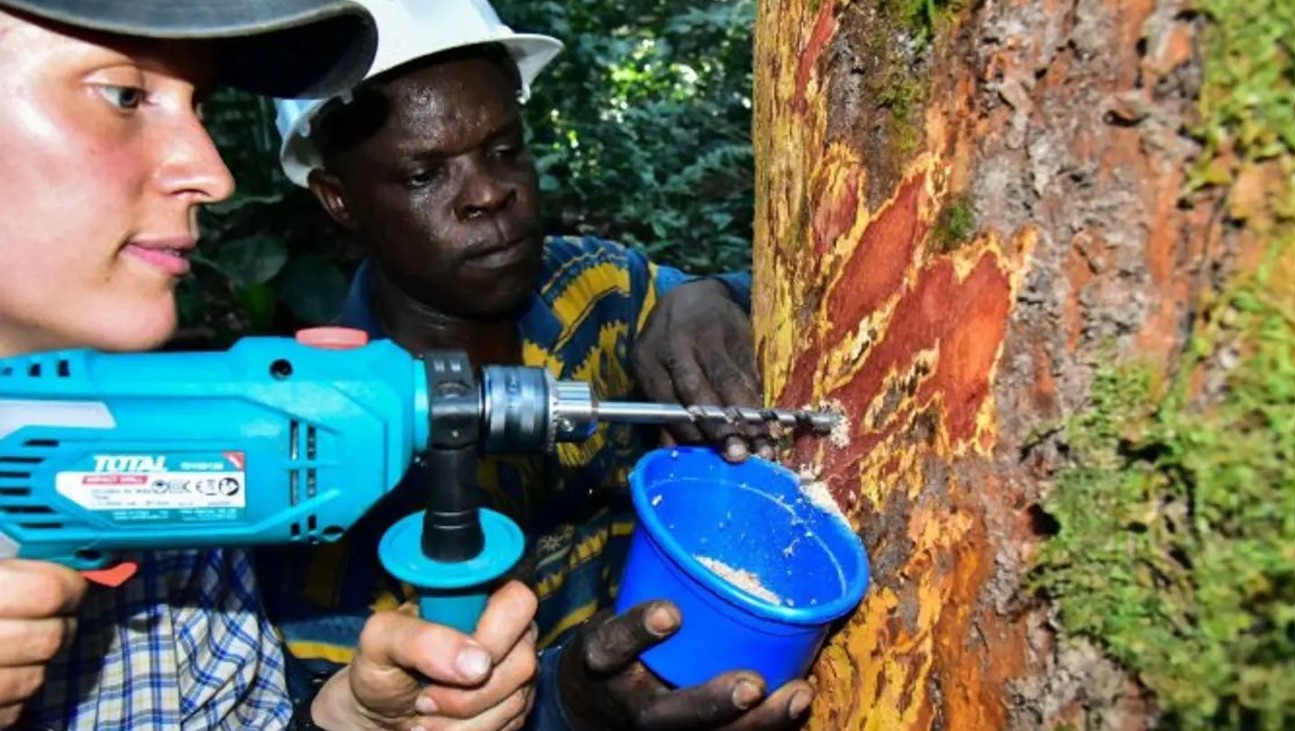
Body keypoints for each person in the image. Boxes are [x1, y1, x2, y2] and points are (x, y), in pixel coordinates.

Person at [265, 0, 814, 728]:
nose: (491, 193)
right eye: (426, 174)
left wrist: (710, 296)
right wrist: (578, 704)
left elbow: (757, 317)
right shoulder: (326, 468)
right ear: (340, 200)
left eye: (503, 149)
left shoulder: (599, 291)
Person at [0, 2, 540, 730]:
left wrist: (351, 720)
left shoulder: (170, 480)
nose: (212, 173)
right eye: (124, 95)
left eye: (201, 107)